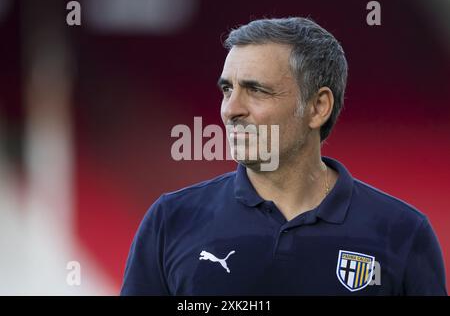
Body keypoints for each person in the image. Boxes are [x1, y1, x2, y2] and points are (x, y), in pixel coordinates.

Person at [120, 17, 447, 295]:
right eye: (227, 90)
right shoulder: (171, 221)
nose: (231, 110)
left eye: (256, 90)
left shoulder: (403, 233)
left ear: (318, 107)